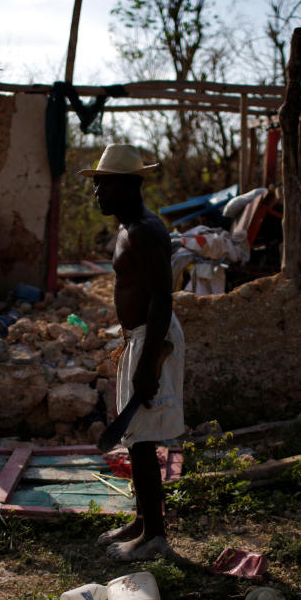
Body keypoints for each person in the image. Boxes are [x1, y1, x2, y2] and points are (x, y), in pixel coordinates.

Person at [79, 144, 185, 561]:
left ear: (127, 184)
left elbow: (162, 297)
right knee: (134, 437)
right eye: (95, 184)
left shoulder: (146, 230)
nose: (97, 193)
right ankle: (142, 521)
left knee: (142, 441)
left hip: (153, 338)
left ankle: (155, 536)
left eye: (102, 184)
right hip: (138, 338)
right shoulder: (126, 229)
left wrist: (149, 361)